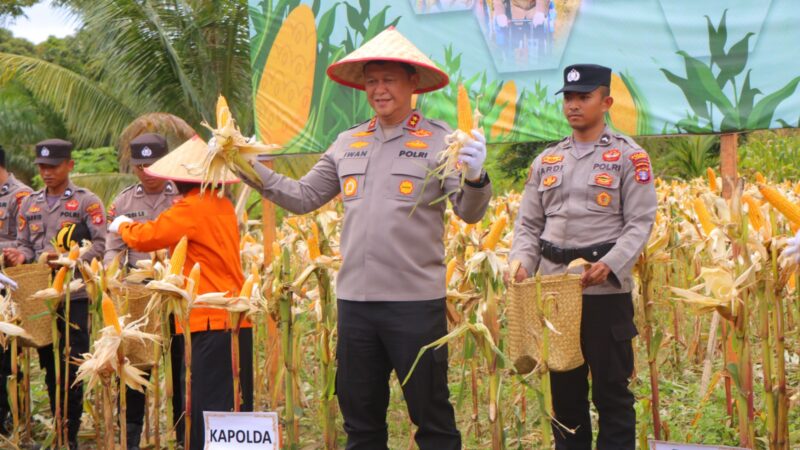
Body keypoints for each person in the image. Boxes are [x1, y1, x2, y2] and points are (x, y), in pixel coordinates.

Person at [242, 27, 492, 450]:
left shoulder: (441, 141)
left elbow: (468, 213)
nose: (379, 89)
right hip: (356, 306)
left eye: (389, 79)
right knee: (360, 422)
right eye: (372, 80)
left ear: (413, 83)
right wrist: (243, 164)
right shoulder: (347, 143)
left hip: (415, 306)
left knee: (432, 419)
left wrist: (475, 175)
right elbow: (303, 197)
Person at [508, 64, 657, 450]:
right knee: (565, 394)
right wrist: (521, 262)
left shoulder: (629, 157)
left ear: (606, 102)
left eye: (583, 97)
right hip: (556, 294)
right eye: (569, 98)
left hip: (605, 291)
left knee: (611, 393)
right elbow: (528, 225)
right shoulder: (547, 161)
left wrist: (611, 263)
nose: (574, 105)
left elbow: (640, 223)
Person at [108, 135, 253, 450]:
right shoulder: (222, 204)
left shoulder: (190, 209)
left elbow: (149, 236)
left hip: (209, 318)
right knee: (234, 399)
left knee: (208, 400)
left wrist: (121, 225)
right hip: (236, 315)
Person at [3, 138, 107, 449]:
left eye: (54, 167)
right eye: (42, 167)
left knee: (73, 361)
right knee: (48, 362)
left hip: (73, 295)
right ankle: (58, 427)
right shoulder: (28, 203)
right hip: (40, 297)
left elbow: (101, 245)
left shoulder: (87, 202)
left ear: (69, 166)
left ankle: (70, 433)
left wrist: (70, 260)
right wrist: (20, 256)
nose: (47, 173)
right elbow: (24, 244)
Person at [104, 133, 183, 449]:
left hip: (178, 293)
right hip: (137, 295)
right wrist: (114, 280)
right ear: (133, 167)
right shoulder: (122, 202)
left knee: (180, 365)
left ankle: (182, 434)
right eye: (141, 166)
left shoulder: (182, 195)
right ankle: (132, 436)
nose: (147, 172)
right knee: (136, 368)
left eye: (153, 165)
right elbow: (113, 249)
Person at [0, 144, 32, 434]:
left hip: (8, 289)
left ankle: (13, 419)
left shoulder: (20, 196)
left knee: (7, 356)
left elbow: (25, 244)